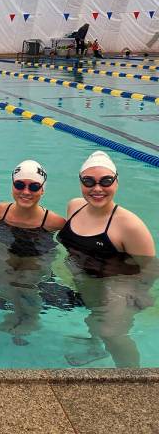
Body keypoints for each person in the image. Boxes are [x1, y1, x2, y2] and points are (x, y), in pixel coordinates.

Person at [58, 151, 156, 367]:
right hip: (86, 276)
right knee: (94, 316)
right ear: (81, 182)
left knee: (112, 333)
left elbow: (150, 268)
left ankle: (131, 380)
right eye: (89, 181)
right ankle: (95, 348)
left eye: (106, 181)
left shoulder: (129, 225)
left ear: (116, 182)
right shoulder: (74, 206)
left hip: (119, 283)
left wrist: (137, 295)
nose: (97, 189)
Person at [0, 160, 65, 345]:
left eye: (34, 186)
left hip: (38, 255)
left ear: (42, 190)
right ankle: (15, 313)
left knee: (27, 285)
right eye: (19, 184)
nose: (26, 192)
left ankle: (32, 319)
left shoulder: (53, 221)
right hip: (7, 251)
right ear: (12, 185)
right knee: (4, 283)